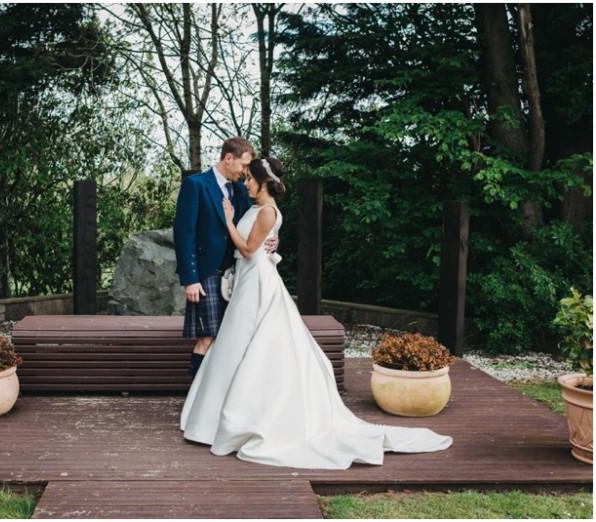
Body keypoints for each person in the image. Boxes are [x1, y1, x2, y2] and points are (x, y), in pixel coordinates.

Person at [180, 157, 453, 470]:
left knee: (249, 343)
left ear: (263, 181)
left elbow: (247, 249)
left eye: (249, 180)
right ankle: (216, 418)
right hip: (246, 280)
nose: (244, 183)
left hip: (257, 283)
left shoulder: (268, 211)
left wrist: (229, 221)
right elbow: (251, 242)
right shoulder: (255, 208)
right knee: (235, 344)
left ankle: (242, 417)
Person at [173, 137, 276, 377]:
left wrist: (273, 239)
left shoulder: (240, 189)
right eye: (243, 165)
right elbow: (184, 233)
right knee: (207, 337)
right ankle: (197, 400)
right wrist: (191, 278)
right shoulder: (195, 185)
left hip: (238, 274)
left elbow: (254, 224)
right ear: (228, 158)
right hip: (206, 274)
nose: (245, 171)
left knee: (231, 338)